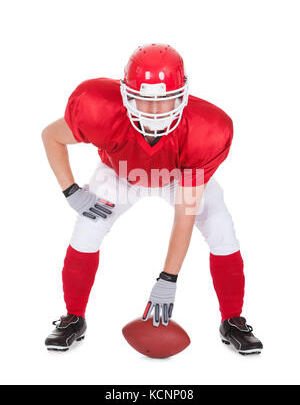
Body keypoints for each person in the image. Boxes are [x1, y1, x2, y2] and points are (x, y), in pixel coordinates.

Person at [42, 43, 263, 355]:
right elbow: (50, 136)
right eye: (145, 101)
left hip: (177, 177)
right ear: (126, 95)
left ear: (183, 96)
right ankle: (73, 317)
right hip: (119, 173)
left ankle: (233, 320)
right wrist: (71, 191)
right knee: (86, 228)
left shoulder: (205, 130)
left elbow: (185, 214)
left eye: (165, 100)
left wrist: (168, 277)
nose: (155, 111)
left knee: (220, 225)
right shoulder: (98, 108)